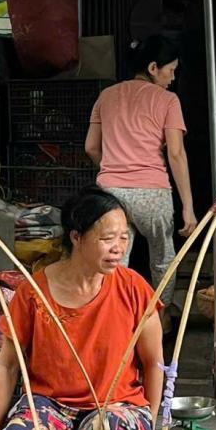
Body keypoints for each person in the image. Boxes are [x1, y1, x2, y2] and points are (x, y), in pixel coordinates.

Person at [0, 188, 163, 430]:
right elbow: (8, 365)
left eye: (124, 237)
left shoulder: (134, 287)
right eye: (108, 238)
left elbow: (154, 363)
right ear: (77, 237)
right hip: (50, 406)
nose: (118, 248)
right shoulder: (34, 292)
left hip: (118, 408)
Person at [84, 34, 196, 286]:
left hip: (111, 192)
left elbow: (91, 147)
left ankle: (116, 316)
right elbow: (176, 154)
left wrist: (113, 168)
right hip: (152, 194)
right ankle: (163, 315)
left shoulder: (107, 96)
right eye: (171, 70)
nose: (173, 78)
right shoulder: (168, 101)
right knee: (162, 257)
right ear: (153, 68)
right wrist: (188, 208)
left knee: (115, 260)